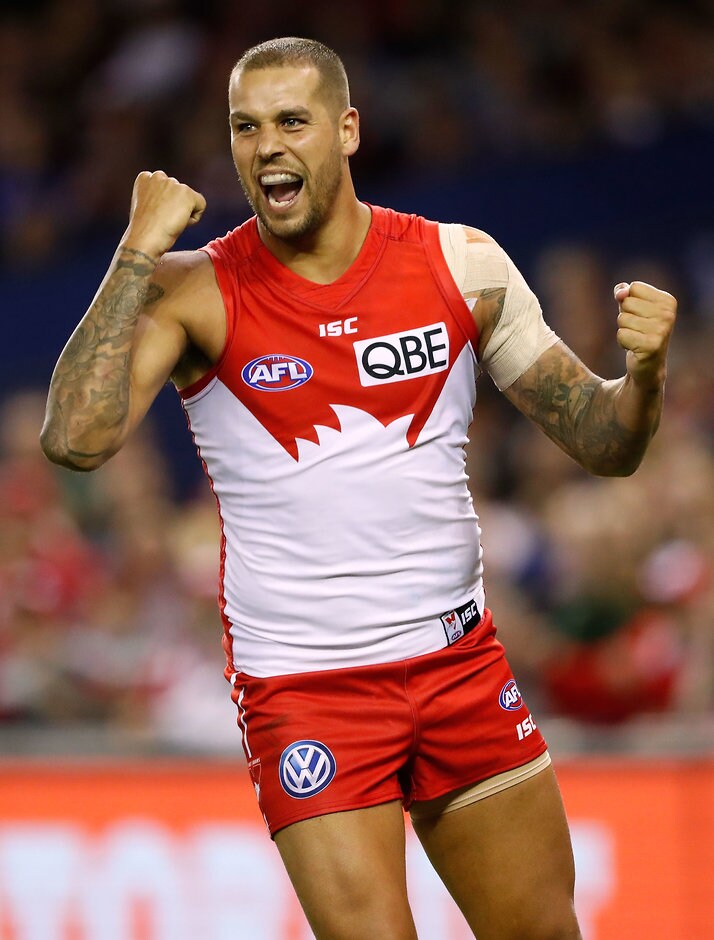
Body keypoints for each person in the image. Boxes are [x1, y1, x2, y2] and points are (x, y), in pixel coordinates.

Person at [41, 36, 676, 940]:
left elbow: (605, 445)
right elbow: (74, 439)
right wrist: (136, 252)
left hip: (461, 667)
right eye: (245, 127)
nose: (267, 147)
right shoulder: (196, 291)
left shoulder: (462, 265)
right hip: (308, 687)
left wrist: (645, 377)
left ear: (347, 131)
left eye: (291, 122)